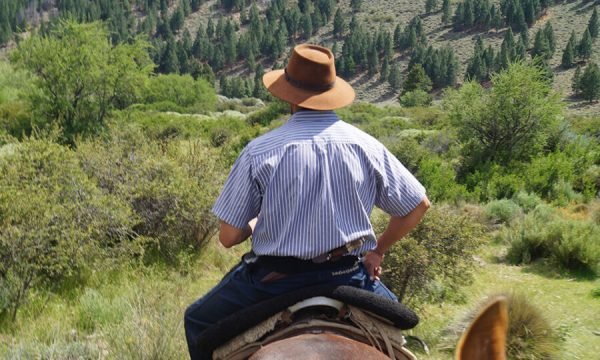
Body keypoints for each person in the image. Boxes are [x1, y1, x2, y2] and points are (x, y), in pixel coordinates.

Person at [184, 43, 430, 360]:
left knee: (197, 320)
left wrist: (256, 224)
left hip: (271, 282)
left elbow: (228, 237)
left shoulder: (259, 151)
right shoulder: (366, 146)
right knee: (401, 334)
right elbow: (418, 204)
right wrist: (377, 249)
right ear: (331, 92)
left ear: (287, 95)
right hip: (347, 277)